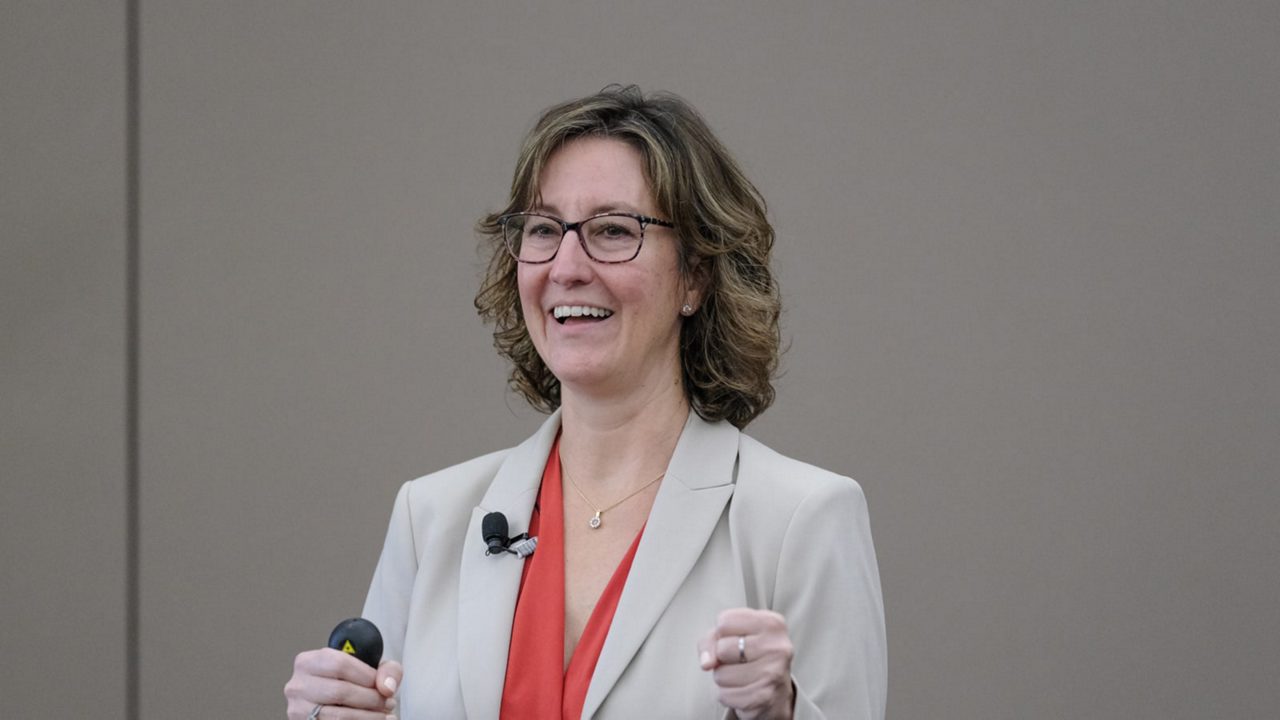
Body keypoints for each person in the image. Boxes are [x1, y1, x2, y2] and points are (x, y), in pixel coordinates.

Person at [285, 85, 886, 720]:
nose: (566, 266)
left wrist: (782, 714)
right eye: (544, 229)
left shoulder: (802, 520)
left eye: (612, 230)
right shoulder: (430, 520)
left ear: (696, 275)